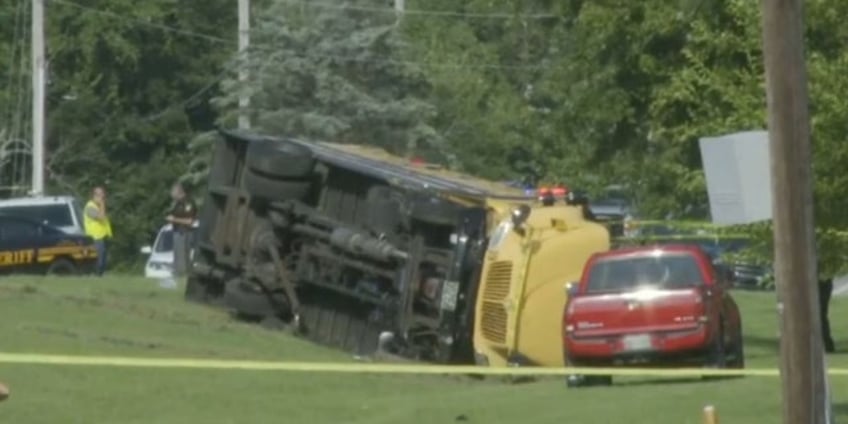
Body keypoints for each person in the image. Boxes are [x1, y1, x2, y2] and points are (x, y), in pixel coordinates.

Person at [166, 182, 197, 277]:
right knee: (178, 258)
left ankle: (185, 276)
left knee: (183, 259)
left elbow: (190, 221)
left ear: (178, 192)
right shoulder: (178, 204)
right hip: (177, 232)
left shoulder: (188, 203)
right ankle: (178, 275)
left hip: (184, 233)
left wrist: (174, 219)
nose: (171, 194)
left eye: (173, 192)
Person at [83, 186, 113, 276]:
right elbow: (101, 217)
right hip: (94, 237)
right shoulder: (90, 207)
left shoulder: (97, 207)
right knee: (99, 259)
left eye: (103, 196)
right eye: (101, 195)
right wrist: (102, 204)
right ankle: (97, 275)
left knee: (104, 258)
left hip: (102, 236)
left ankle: (101, 274)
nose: (103, 198)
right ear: (95, 195)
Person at [819, 276, 835, 353]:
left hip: (822, 281)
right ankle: (826, 344)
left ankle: (826, 344)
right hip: (823, 281)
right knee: (821, 314)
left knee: (820, 314)